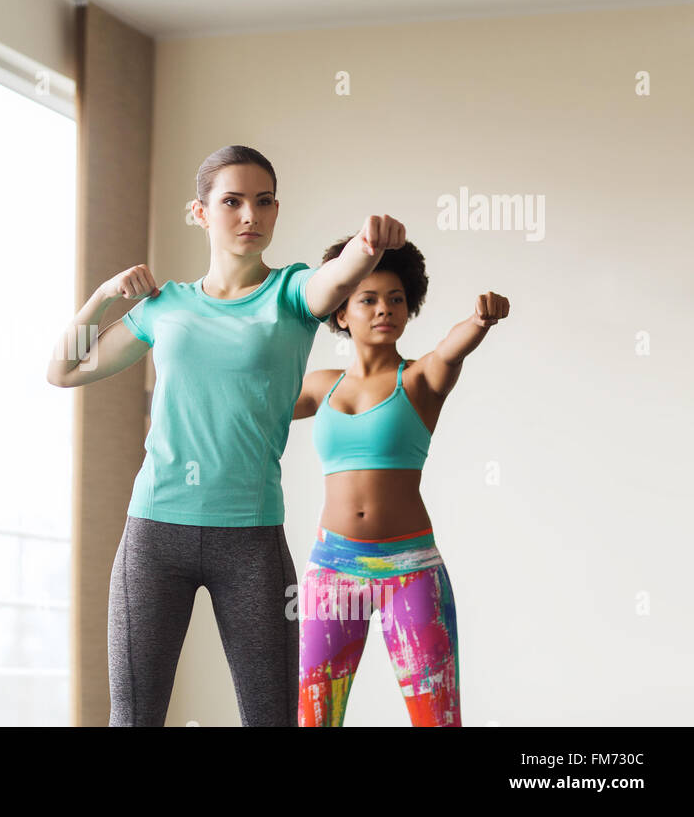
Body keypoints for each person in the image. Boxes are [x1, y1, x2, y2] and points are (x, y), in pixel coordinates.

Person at [46, 144, 406, 726]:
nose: (249, 216)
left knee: (270, 718)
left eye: (263, 203)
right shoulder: (165, 307)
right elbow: (63, 369)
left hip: (251, 540)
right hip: (154, 532)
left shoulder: (291, 294)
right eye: (232, 202)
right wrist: (107, 296)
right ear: (201, 212)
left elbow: (333, 281)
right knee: (133, 717)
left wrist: (366, 250)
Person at [291, 238, 509, 726]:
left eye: (396, 299)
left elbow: (453, 349)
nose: (384, 309)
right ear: (342, 313)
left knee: (436, 718)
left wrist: (479, 320)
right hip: (332, 571)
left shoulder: (420, 379)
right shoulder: (319, 385)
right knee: (312, 719)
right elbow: (252, 403)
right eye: (367, 298)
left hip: (410, 572)